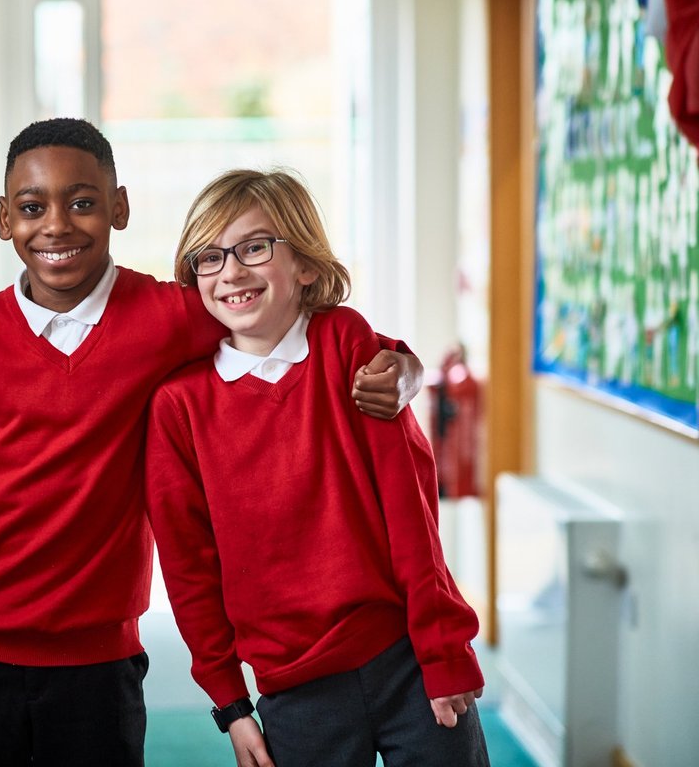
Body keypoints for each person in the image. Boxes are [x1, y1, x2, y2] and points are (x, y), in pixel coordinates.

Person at [0, 119, 424, 767]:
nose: (56, 225)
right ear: (5, 219)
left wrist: (402, 365)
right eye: (32, 207)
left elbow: (286, 308)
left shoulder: (174, 314)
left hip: (98, 663)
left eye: (83, 202)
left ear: (120, 208)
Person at [145, 168, 489, 767]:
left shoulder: (345, 343)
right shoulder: (180, 406)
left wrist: (443, 648)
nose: (231, 271)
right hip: (293, 686)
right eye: (209, 256)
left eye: (254, 247)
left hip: (406, 657)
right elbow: (188, 566)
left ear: (304, 264)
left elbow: (410, 508)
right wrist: (230, 704)